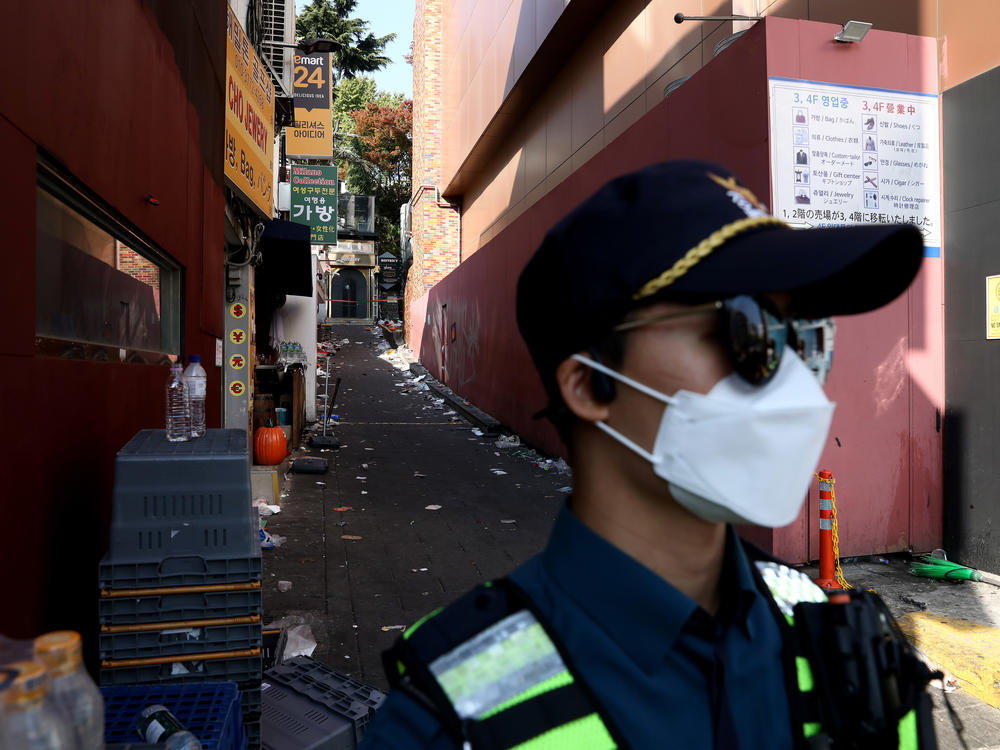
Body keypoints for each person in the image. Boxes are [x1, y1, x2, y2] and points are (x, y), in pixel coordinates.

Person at [360, 160, 938, 750]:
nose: (792, 380)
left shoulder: (859, 666)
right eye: (749, 330)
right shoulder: (449, 720)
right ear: (588, 385)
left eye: (805, 337)